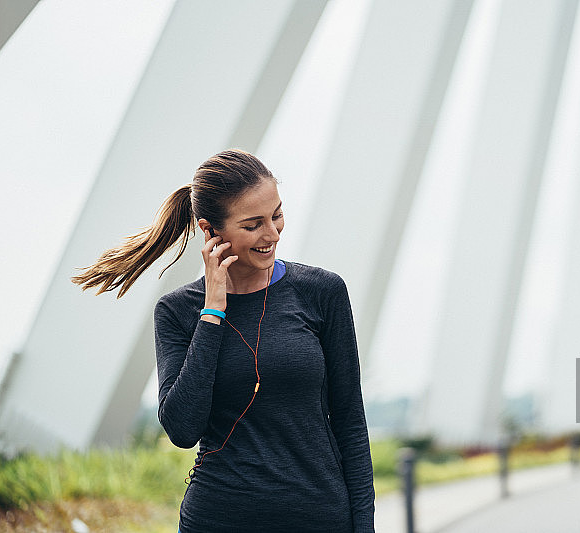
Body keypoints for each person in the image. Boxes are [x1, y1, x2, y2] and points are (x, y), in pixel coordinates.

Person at [72, 149, 375, 532]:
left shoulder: (320, 291)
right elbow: (183, 430)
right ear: (210, 231)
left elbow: (350, 420)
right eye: (253, 225)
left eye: (277, 215)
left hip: (318, 517)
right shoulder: (178, 311)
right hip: (216, 519)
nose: (272, 234)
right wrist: (212, 312)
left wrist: (364, 525)